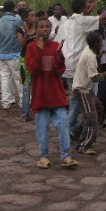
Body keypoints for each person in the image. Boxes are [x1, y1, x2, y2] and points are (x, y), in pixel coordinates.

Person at [63, 0, 106, 136]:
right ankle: (68, 129)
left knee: (85, 101)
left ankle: (76, 129)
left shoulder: (73, 20)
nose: (93, 4)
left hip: (75, 65)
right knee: (81, 101)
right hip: (77, 67)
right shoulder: (81, 20)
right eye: (89, 3)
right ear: (83, 7)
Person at [25, 18, 78, 169]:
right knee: (41, 128)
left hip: (56, 93)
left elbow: (59, 70)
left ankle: (66, 156)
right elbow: (33, 69)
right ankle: (43, 156)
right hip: (41, 93)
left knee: (63, 123)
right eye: (41, 27)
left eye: (47, 27)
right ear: (36, 29)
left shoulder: (55, 46)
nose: (45, 29)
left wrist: (59, 56)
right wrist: (40, 51)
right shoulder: (31, 47)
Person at [72, 31, 106, 155]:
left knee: (98, 108)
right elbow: (94, 78)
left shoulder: (90, 52)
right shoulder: (90, 56)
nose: (102, 44)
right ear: (95, 43)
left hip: (85, 89)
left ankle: (76, 132)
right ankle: (83, 145)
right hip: (82, 90)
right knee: (91, 118)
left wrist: (99, 56)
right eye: (100, 42)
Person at [0, 1, 23, 110]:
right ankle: (23, 101)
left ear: (3, 9)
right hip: (16, 54)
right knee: (19, 78)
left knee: (4, 78)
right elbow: (22, 35)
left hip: (2, 55)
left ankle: (6, 102)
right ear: (13, 8)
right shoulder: (17, 21)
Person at [16, 8, 36, 122]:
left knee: (37, 86)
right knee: (26, 87)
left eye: (34, 16)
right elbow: (22, 44)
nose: (34, 18)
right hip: (24, 60)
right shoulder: (20, 29)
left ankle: (37, 110)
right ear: (25, 18)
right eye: (31, 16)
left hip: (35, 59)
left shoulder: (37, 28)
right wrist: (27, 34)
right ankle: (25, 113)